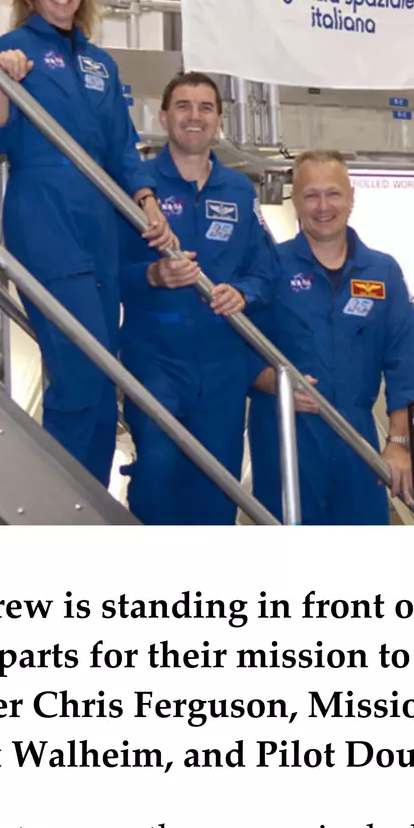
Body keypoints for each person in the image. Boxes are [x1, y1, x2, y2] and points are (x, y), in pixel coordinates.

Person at [0, 0, 175, 485]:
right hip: (46, 220)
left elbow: (121, 147)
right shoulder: (14, 46)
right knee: (77, 375)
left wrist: (145, 199)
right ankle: (59, 509)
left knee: (102, 374)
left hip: (103, 230)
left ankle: (88, 504)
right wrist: (0, 77)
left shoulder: (100, 62)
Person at [119, 72, 277, 525]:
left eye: (206, 107)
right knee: (158, 473)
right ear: (164, 117)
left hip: (223, 365)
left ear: (219, 121)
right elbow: (108, 272)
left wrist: (243, 294)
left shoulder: (240, 191)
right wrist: (153, 274)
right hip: (156, 359)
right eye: (184, 106)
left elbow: (266, 272)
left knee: (217, 486)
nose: (195, 116)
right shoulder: (138, 187)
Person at [248, 152, 414, 526]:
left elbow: (402, 364)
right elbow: (233, 349)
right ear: (294, 199)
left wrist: (399, 443)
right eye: (311, 195)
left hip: (356, 439)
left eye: (334, 194)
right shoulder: (267, 267)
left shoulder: (383, 272)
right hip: (284, 438)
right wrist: (269, 382)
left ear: (351, 197)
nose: (323, 206)